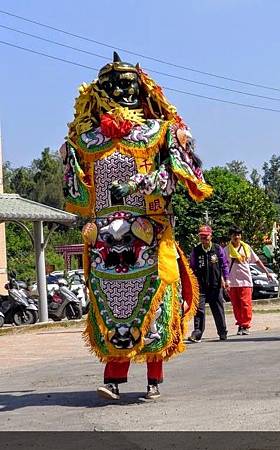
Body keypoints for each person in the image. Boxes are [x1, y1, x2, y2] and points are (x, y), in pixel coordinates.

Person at [62, 53, 212, 400]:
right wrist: (69, 158)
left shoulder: (160, 132)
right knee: (110, 306)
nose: (121, 90)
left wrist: (136, 186)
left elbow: (173, 177)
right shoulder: (87, 141)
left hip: (148, 236)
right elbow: (76, 190)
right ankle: (113, 378)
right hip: (103, 240)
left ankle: (153, 380)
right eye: (113, 84)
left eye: (128, 83)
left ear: (141, 87)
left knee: (155, 306)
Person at [224, 226, 272, 335]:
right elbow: (223, 266)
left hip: (245, 281)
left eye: (238, 235)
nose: (236, 237)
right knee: (236, 305)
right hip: (232, 282)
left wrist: (266, 272)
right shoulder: (226, 250)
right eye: (234, 235)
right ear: (230, 236)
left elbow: (257, 261)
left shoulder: (246, 248)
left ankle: (245, 325)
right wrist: (223, 279)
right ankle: (240, 324)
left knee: (246, 304)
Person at [188, 225, 229, 342]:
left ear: (211, 236)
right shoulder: (196, 250)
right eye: (201, 236)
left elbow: (224, 265)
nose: (204, 238)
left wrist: (226, 279)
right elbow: (192, 267)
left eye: (206, 236)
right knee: (199, 310)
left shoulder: (217, 249)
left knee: (218, 309)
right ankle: (197, 333)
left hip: (215, 285)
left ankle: (222, 332)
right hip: (200, 286)